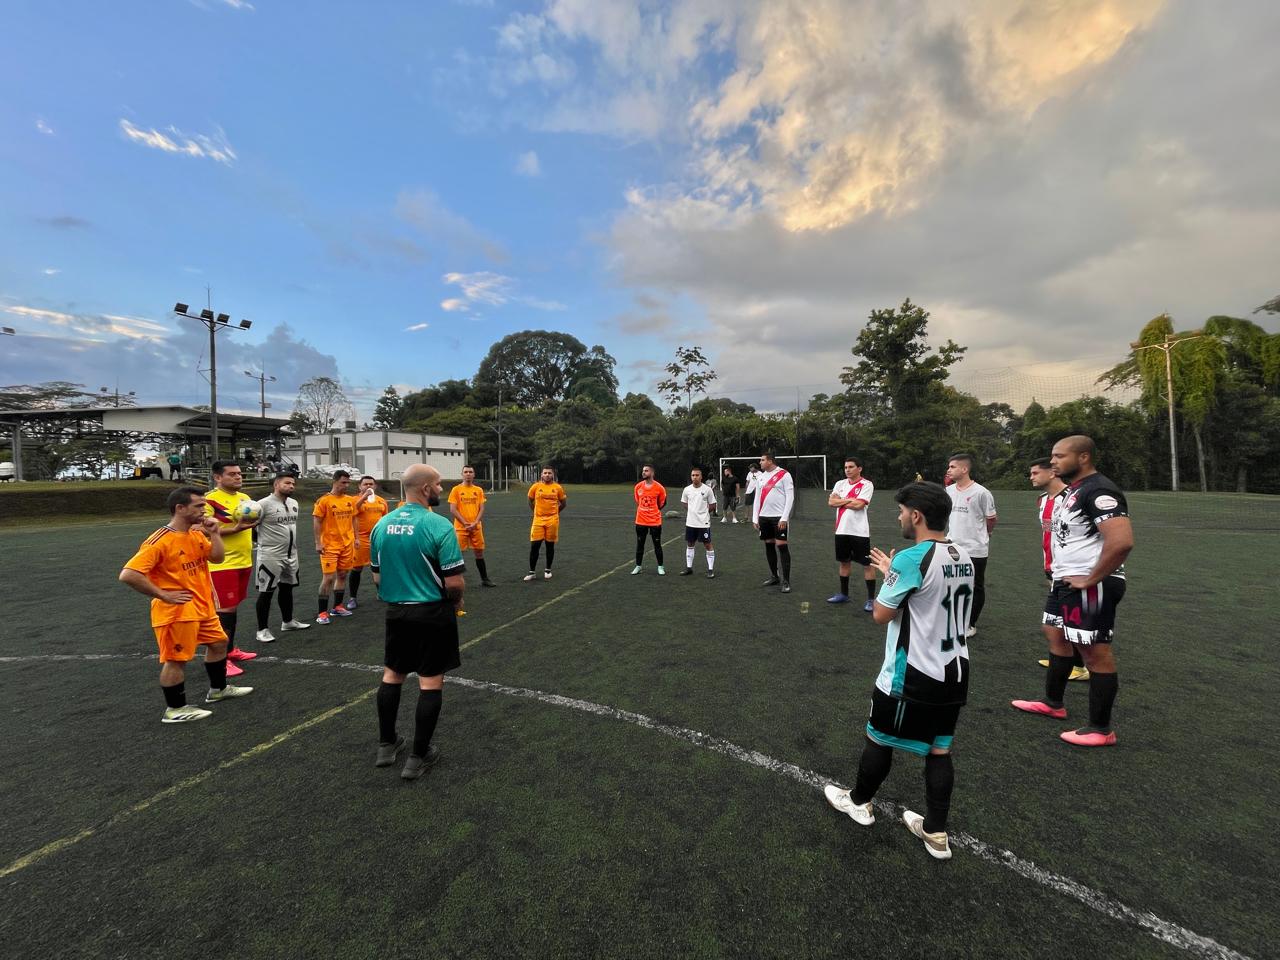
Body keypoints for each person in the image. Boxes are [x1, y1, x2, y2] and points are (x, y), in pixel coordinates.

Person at [822, 482, 973, 860]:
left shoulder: (911, 558)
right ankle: (936, 832)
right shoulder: (963, 555)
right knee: (939, 750)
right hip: (954, 671)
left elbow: (881, 614)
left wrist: (891, 573)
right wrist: (895, 574)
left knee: (879, 739)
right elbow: (928, 599)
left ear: (916, 516)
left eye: (903, 512)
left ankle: (859, 802)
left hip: (913, 675)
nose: (900, 517)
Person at [1012, 435, 1133, 747]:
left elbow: (1121, 541)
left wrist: (1092, 579)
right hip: (1064, 580)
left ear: (1083, 457)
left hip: (1091, 584)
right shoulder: (1073, 490)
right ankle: (1053, 703)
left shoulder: (1099, 490)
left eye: (1059, 456)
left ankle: (1101, 729)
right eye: (1052, 456)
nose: (1053, 461)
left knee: (1094, 652)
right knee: (1054, 633)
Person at [119, 486, 253, 722]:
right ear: (180, 508)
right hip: (176, 612)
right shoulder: (160, 540)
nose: (204, 510)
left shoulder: (196, 534)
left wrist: (215, 534)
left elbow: (217, 558)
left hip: (201, 606)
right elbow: (128, 574)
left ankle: (218, 690)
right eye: (199, 506)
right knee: (176, 659)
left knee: (219, 643)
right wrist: (164, 595)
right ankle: (175, 709)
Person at [369, 464, 466, 780]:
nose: (441, 489)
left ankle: (386, 745)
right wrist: (456, 602)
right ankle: (418, 756)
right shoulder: (438, 525)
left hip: (397, 612)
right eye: (438, 484)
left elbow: (377, 577)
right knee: (430, 681)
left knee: (392, 675)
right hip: (431, 613)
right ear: (426, 488)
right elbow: (454, 583)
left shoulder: (382, 524)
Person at [1029, 458, 1088, 682]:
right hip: (1052, 566)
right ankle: (1062, 658)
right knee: (1057, 618)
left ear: (1052, 473)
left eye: (1035, 473)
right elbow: (1049, 534)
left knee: (1073, 617)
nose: (1031, 477)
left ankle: (1080, 666)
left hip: (1071, 568)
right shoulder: (1043, 500)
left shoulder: (1073, 498)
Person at [205, 460, 259, 676]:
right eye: (232, 474)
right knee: (224, 612)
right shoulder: (209, 500)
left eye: (239, 473)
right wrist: (235, 529)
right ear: (218, 477)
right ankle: (221, 659)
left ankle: (230, 650)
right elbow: (201, 529)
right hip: (221, 564)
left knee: (232, 609)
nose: (238, 477)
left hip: (243, 561)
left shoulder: (245, 498)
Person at [253, 472, 313, 642]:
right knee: (266, 592)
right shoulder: (262, 504)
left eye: (293, 483)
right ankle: (262, 630)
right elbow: (252, 528)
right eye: (287, 483)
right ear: (276, 484)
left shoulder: (294, 503)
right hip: (270, 555)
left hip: (291, 553)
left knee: (287, 588)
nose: (291, 486)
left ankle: (288, 622)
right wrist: (262, 543)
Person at [945, 453, 997, 637]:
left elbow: (991, 519)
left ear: (964, 469)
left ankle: (970, 624)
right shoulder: (948, 491)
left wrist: (986, 533)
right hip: (951, 546)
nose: (949, 470)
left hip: (975, 548)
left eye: (952, 467)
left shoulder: (981, 492)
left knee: (975, 586)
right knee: (950, 584)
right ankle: (952, 619)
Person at [827, 456, 877, 612]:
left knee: (867, 564)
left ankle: (871, 600)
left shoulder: (866, 484)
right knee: (844, 562)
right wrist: (850, 500)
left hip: (859, 532)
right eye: (845, 467)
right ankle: (844, 594)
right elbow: (831, 502)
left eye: (851, 467)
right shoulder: (840, 484)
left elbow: (859, 505)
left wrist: (841, 500)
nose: (847, 470)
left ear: (859, 468)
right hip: (841, 530)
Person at [312, 470, 358, 624]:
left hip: (347, 544)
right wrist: (318, 542)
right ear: (335, 481)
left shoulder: (350, 500)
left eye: (348, 482)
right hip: (329, 545)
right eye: (343, 482)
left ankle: (337, 607)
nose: (346, 485)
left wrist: (356, 538)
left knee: (343, 575)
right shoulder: (324, 500)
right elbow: (317, 521)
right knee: (329, 578)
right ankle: (322, 613)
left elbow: (354, 519)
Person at [448, 465, 496, 596]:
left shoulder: (478, 490)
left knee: (479, 553)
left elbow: (482, 508)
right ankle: (455, 582)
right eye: (466, 472)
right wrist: (465, 523)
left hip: (476, 527)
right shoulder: (456, 490)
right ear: (462, 474)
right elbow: (453, 509)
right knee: (458, 555)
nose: (468, 474)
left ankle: (485, 579)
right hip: (461, 528)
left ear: (474, 474)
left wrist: (475, 522)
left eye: (470, 472)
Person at [752, 452, 795, 593]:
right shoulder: (760, 477)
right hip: (764, 517)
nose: (760, 462)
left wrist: (784, 518)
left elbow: (790, 497)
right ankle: (774, 576)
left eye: (762, 460)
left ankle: (786, 581)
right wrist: (755, 518)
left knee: (782, 546)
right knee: (769, 544)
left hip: (778, 518)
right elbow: (757, 498)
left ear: (770, 461)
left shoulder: (784, 474)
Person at [346, 475, 389, 611]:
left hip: (378, 539)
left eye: (371, 484)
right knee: (357, 568)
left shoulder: (381, 501)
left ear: (375, 486)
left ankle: (381, 592)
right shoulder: (354, 500)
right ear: (360, 486)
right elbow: (352, 512)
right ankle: (353, 598)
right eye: (365, 484)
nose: (368, 486)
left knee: (380, 567)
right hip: (361, 539)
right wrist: (364, 497)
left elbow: (386, 519)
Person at [525, 466, 566, 581]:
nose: (547, 475)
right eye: (545, 473)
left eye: (549, 473)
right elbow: (530, 500)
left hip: (552, 520)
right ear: (541, 475)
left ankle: (548, 570)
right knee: (535, 546)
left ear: (553, 475)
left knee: (550, 545)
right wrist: (535, 512)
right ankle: (532, 572)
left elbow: (563, 503)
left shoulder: (557, 488)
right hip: (538, 520)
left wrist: (555, 513)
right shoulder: (536, 486)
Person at [679, 467, 718, 578]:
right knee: (690, 544)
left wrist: (703, 513)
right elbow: (684, 503)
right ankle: (689, 568)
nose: (695, 477)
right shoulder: (687, 490)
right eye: (693, 475)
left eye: (697, 475)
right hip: (690, 522)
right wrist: (693, 512)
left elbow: (713, 505)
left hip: (703, 523)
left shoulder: (707, 490)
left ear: (701, 477)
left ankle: (710, 570)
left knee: (707, 544)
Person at [631, 464, 668, 575]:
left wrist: (653, 511)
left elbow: (662, 503)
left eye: (646, 470)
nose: (643, 472)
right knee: (640, 544)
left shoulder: (659, 488)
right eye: (643, 470)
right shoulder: (638, 487)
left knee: (657, 544)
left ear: (652, 473)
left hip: (654, 521)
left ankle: (660, 567)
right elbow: (638, 501)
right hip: (640, 520)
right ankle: (638, 566)